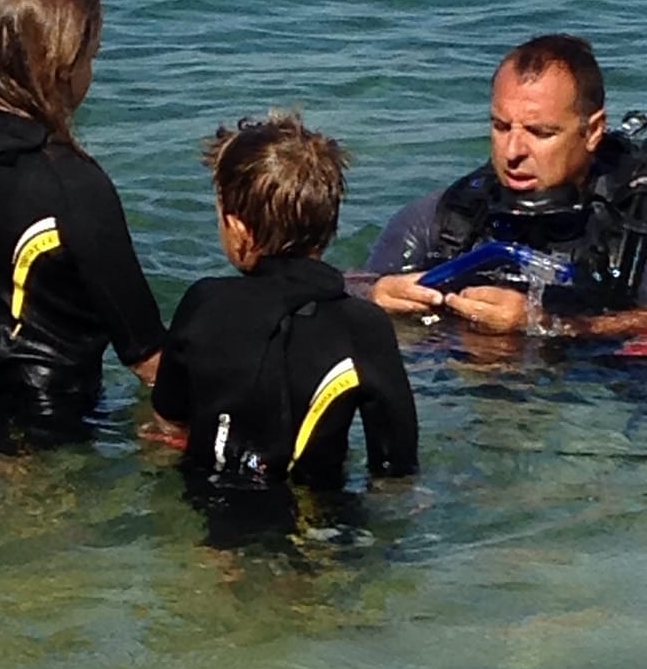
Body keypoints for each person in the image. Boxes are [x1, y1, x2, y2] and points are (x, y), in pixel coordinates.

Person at [0, 0, 165, 440]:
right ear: (61, 67)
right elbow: (146, 357)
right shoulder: (77, 185)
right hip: (52, 418)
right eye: (91, 56)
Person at [150, 112, 419, 491]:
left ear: (239, 230)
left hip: (214, 511)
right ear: (331, 227)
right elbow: (397, 461)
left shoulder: (204, 304)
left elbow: (171, 419)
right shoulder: (364, 325)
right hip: (318, 519)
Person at [365, 33, 647, 337]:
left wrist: (549, 326)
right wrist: (374, 296)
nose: (512, 152)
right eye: (500, 127)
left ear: (592, 131)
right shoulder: (446, 220)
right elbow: (348, 288)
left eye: (539, 133)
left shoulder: (635, 225)